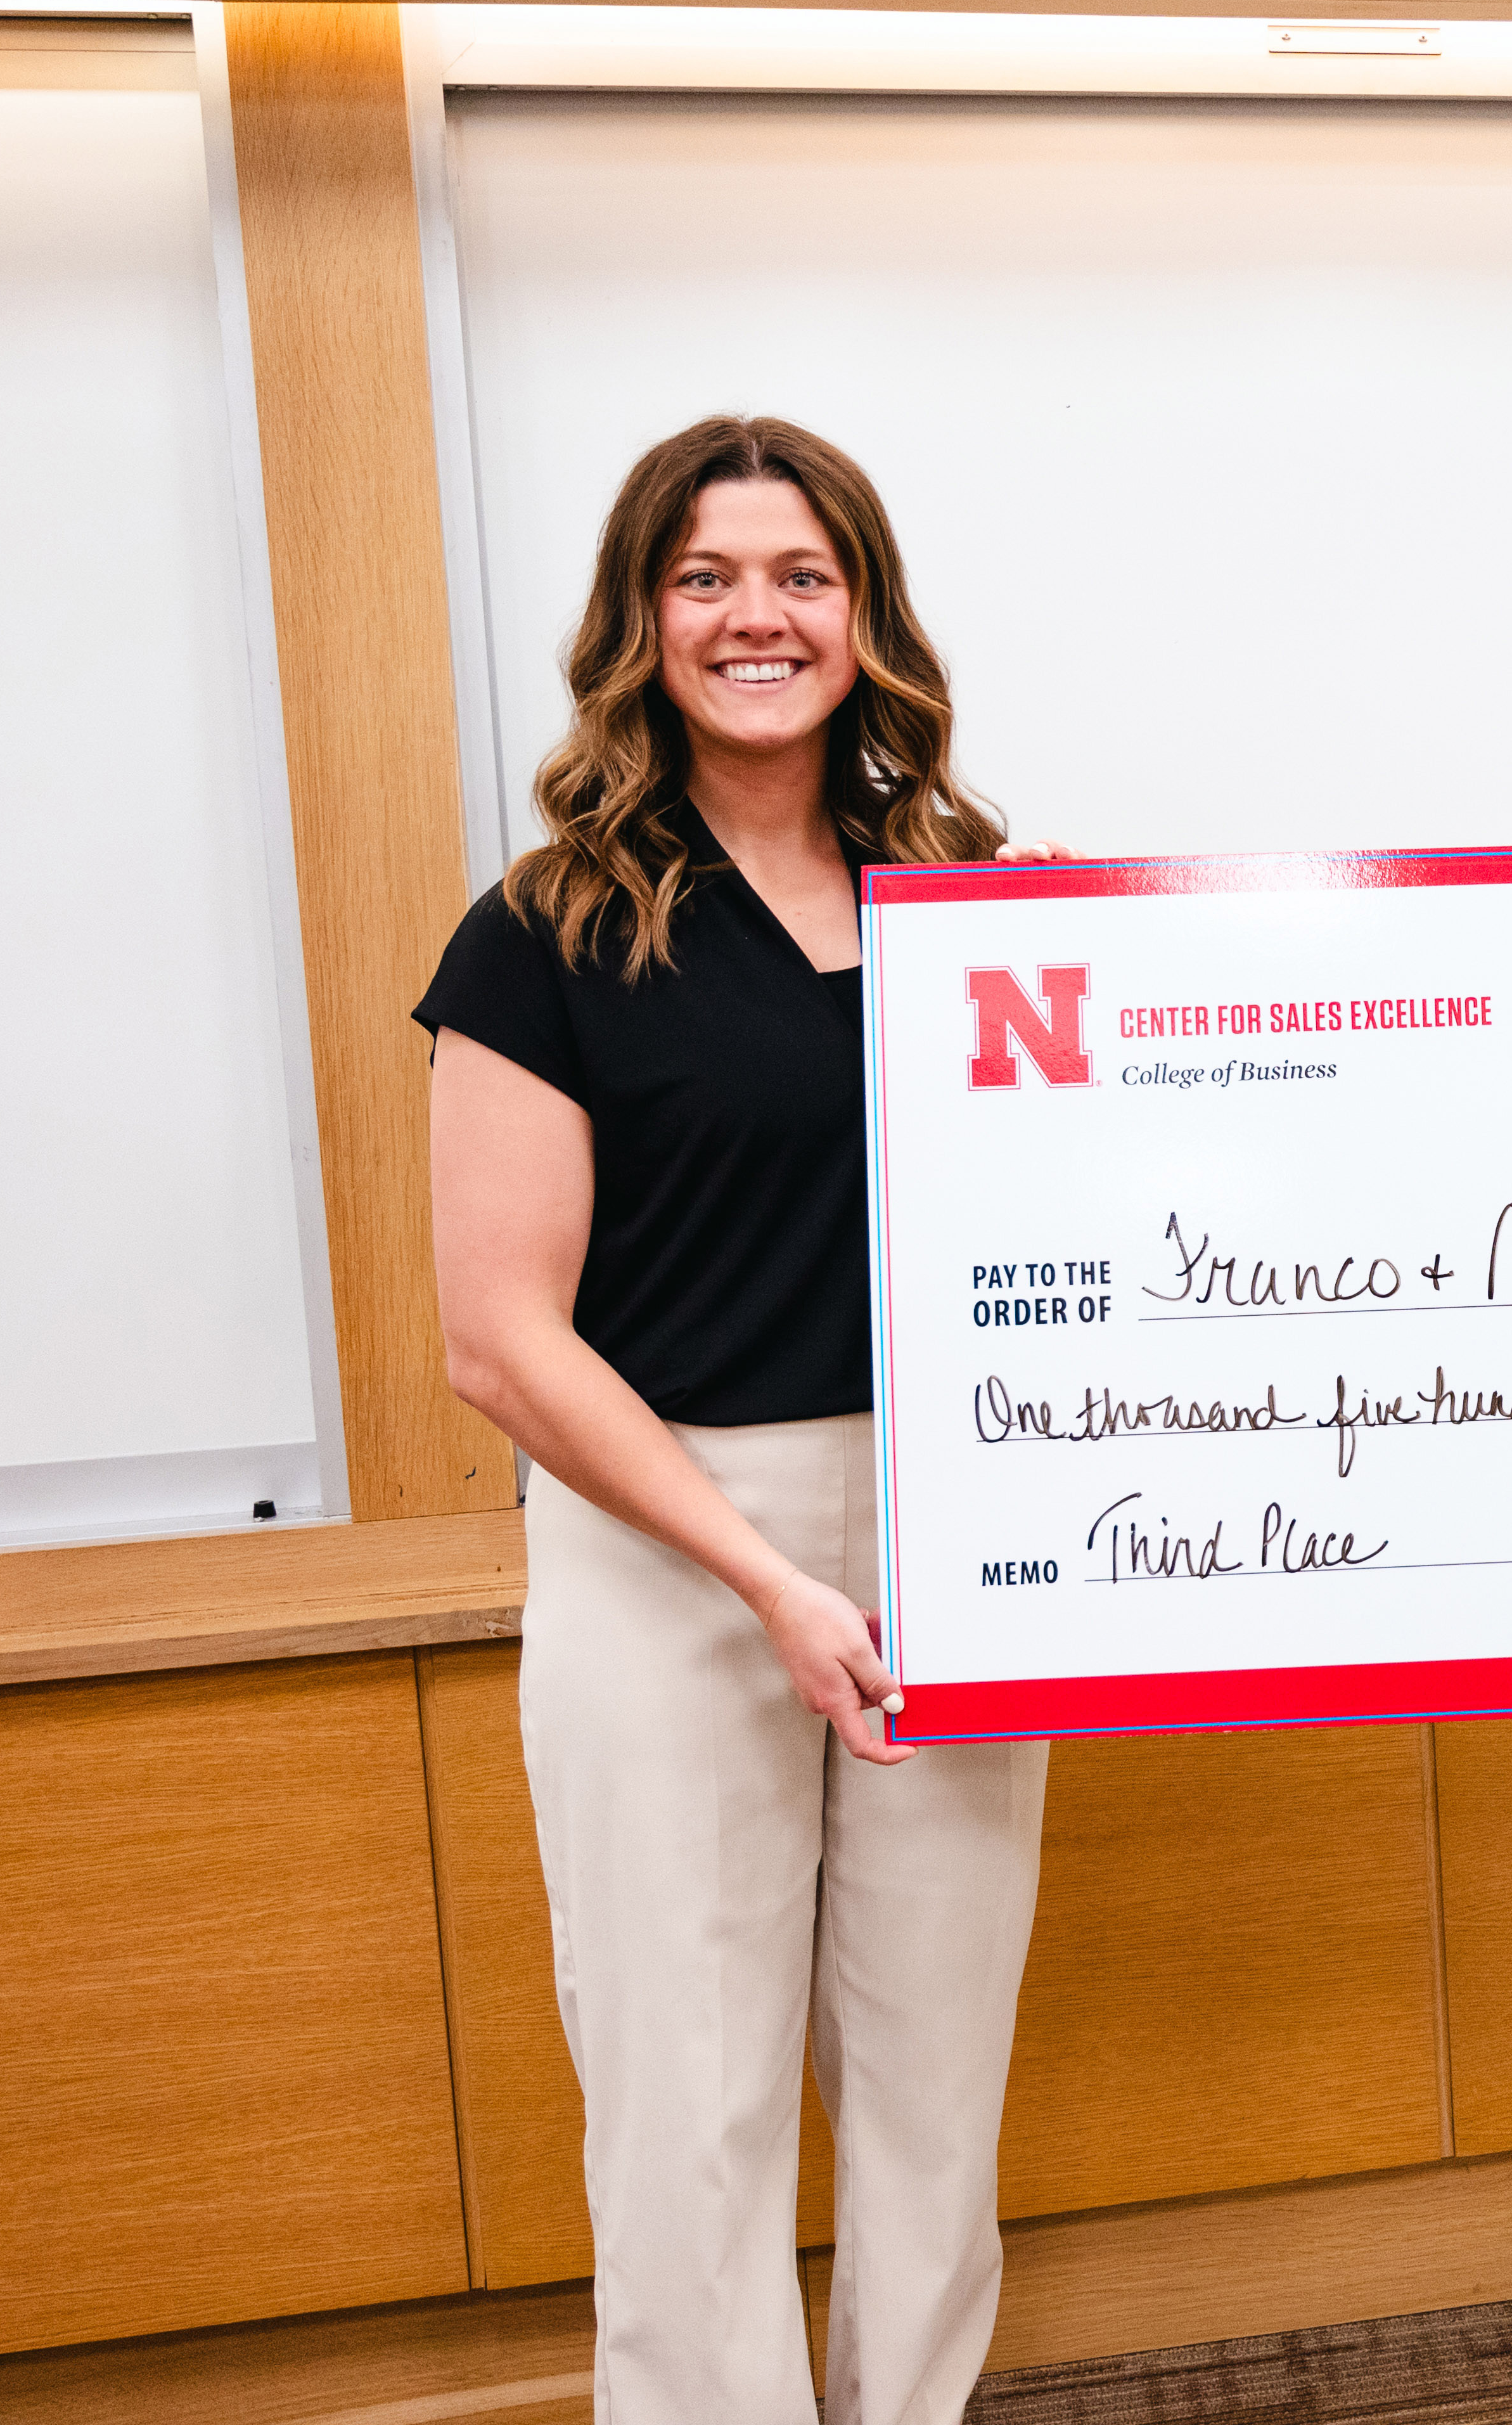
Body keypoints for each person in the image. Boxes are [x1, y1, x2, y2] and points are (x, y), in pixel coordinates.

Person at [417, 416, 1053, 2425]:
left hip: (961, 1535)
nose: (754, 616)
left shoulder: (974, 897)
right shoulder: (545, 933)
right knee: (688, 2109)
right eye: (706, 579)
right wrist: (766, 1573)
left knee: (936, 2085)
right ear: (641, 622)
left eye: (800, 576)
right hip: (670, 1549)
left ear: (864, 619)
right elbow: (500, 1341)